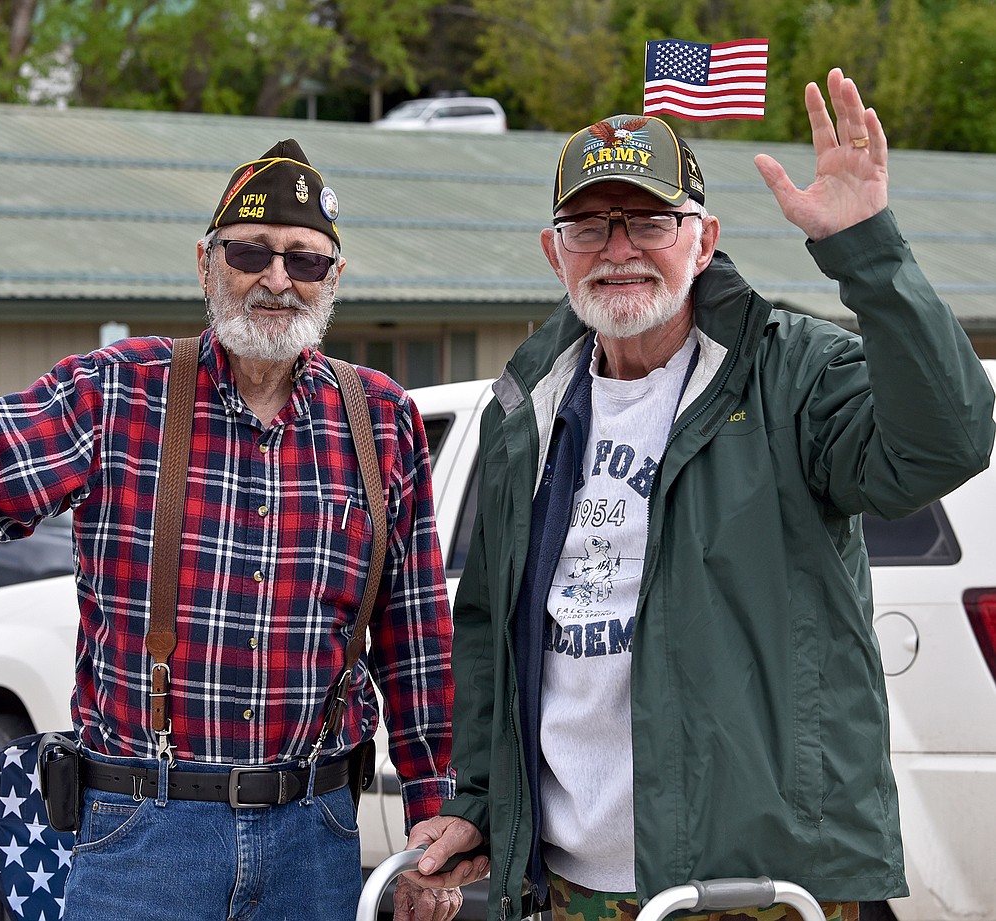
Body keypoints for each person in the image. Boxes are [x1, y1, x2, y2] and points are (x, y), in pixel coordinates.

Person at [397, 68, 996, 921]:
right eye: (589, 226)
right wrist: (483, 799)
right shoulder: (523, 410)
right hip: (570, 887)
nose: (618, 249)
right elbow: (495, 625)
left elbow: (948, 441)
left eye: (648, 220)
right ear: (552, 249)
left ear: (704, 239)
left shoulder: (795, 372)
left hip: (755, 886)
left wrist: (868, 247)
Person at [0, 139, 463, 921]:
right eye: (250, 251)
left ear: (335, 279)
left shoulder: (381, 419)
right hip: (143, 836)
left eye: (304, 261)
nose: (276, 278)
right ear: (205, 264)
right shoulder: (114, 393)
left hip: (317, 835)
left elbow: (417, 642)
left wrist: (434, 825)